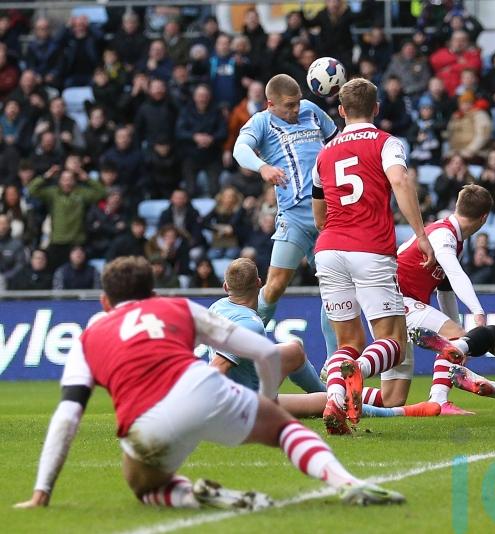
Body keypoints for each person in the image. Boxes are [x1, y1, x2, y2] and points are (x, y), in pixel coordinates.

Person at [14, 256, 405, 511]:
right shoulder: (178, 307)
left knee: (143, 486)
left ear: (104, 302)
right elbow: (266, 354)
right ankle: (346, 481)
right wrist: (266, 403)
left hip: (144, 420)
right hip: (202, 388)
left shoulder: (88, 337)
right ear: (153, 293)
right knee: (285, 430)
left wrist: (41, 491)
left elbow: (67, 417)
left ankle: (191, 495)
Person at [311, 78, 435, 434]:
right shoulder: (386, 142)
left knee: (348, 343)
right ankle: (360, 371)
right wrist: (420, 234)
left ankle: (337, 397)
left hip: (329, 250)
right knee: (393, 344)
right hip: (370, 248)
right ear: (377, 108)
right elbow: (400, 181)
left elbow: (319, 215)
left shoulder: (325, 152)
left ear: (341, 111)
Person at [201, 258, 440, 420]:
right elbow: (219, 366)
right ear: (258, 283)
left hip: (245, 385)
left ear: (225, 286)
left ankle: (329, 391)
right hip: (248, 405)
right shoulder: (249, 325)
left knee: (294, 349)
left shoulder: (217, 307)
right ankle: (398, 412)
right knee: (327, 401)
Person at [232, 74, 339, 368]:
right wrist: (262, 167)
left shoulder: (312, 111)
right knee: (275, 285)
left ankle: (334, 366)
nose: (295, 110)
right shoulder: (261, 122)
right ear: (271, 104)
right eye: (289, 106)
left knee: (333, 291)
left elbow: (337, 144)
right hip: (294, 217)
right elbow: (239, 150)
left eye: (297, 103)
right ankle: (242, 353)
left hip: (328, 216)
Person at [375, 185, 493, 414]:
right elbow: (455, 274)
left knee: (393, 398)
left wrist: (457, 337)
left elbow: (445, 290)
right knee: (455, 337)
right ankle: (439, 401)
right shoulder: (444, 235)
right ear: (484, 218)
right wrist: (476, 312)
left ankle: (340, 393)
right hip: (397, 299)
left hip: (391, 301)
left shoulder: (452, 238)